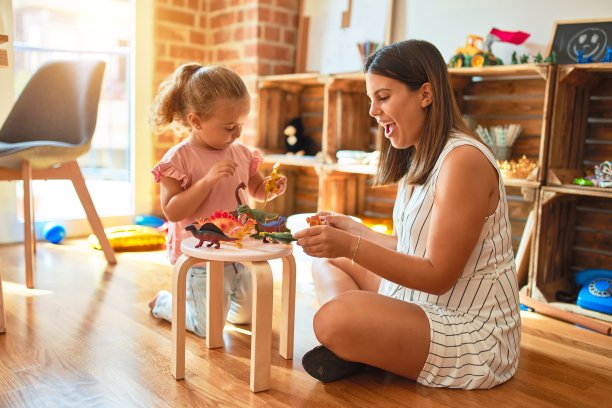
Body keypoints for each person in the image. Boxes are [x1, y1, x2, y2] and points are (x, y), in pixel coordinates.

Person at [293, 39, 520, 390]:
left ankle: (361, 342)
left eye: (383, 97)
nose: (373, 111)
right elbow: (410, 246)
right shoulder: (420, 155)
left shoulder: (463, 161)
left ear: (425, 94)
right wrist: (354, 231)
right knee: (327, 264)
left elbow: (437, 275)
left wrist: (350, 245)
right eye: (371, 100)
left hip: (470, 331)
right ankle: (366, 343)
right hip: (421, 301)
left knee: (335, 319)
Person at [147, 63, 287, 337]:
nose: (236, 134)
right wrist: (207, 181)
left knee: (245, 318)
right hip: (202, 258)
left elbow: (256, 189)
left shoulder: (241, 152)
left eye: (241, 126)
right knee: (207, 329)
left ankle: (217, 307)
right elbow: (173, 211)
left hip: (238, 251)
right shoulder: (177, 160)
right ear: (196, 121)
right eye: (229, 127)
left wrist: (271, 187)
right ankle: (165, 303)